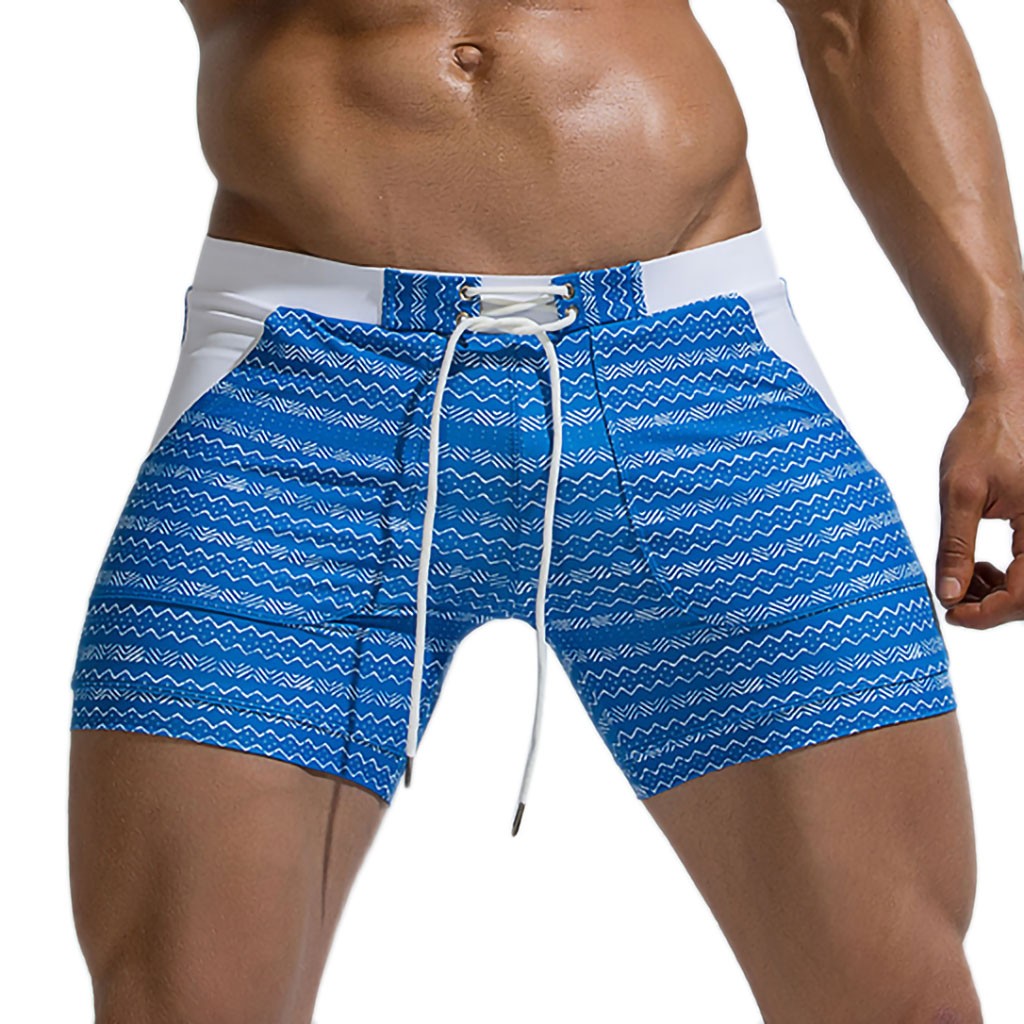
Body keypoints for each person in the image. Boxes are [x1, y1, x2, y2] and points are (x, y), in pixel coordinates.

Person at [67, 1, 1022, 1021]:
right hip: (299, 401)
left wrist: (1003, 372)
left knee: (895, 998)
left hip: (695, 372)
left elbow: (860, 16)